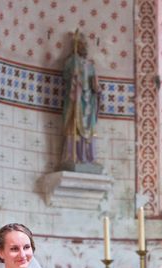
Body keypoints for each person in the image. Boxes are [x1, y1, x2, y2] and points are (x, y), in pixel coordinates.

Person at [61, 29, 101, 169]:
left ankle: (89, 157)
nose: (85, 48)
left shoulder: (91, 65)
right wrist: (74, 76)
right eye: (82, 45)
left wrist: (96, 90)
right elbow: (65, 78)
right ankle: (73, 156)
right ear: (77, 46)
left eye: (86, 45)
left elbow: (95, 85)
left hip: (88, 103)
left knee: (90, 128)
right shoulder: (71, 62)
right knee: (74, 126)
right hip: (76, 100)